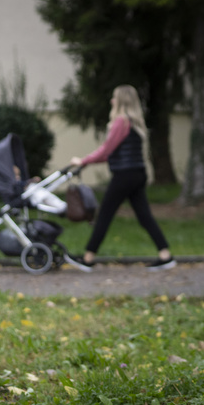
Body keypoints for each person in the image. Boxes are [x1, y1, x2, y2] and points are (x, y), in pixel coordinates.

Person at [69, 85, 176, 271]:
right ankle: (165, 256)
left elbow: (106, 150)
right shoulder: (135, 123)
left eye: (114, 98)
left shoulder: (121, 122)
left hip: (124, 176)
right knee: (144, 217)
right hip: (138, 174)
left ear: (121, 101)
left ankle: (87, 259)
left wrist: (82, 161)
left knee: (104, 215)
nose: (111, 101)